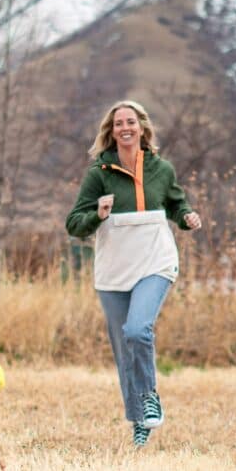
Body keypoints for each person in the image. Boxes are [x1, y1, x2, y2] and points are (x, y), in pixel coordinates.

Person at [66, 100, 201, 447]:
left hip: (155, 261)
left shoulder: (162, 169)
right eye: (117, 123)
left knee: (138, 330)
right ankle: (138, 418)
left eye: (130, 121)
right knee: (124, 349)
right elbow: (74, 225)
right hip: (114, 269)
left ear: (142, 127)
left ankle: (150, 396)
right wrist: (97, 214)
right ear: (111, 132)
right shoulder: (99, 174)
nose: (124, 128)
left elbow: (176, 204)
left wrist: (187, 217)